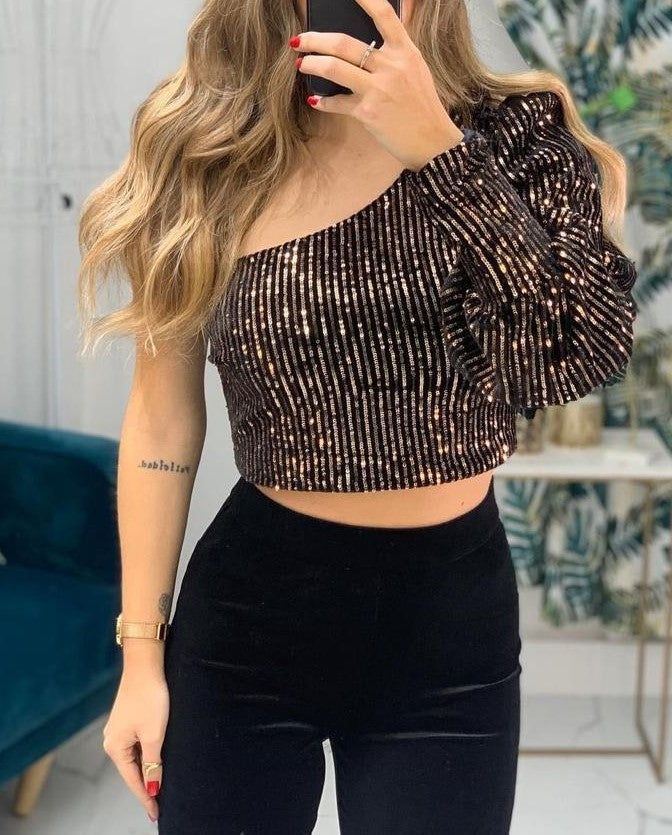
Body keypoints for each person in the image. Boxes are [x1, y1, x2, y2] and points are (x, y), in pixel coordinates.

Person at [76, 0, 638, 832]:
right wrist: (140, 656)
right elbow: (162, 421)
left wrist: (441, 153)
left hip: (449, 630)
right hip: (251, 619)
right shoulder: (208, 143)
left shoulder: (518, 135)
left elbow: (570, 355)